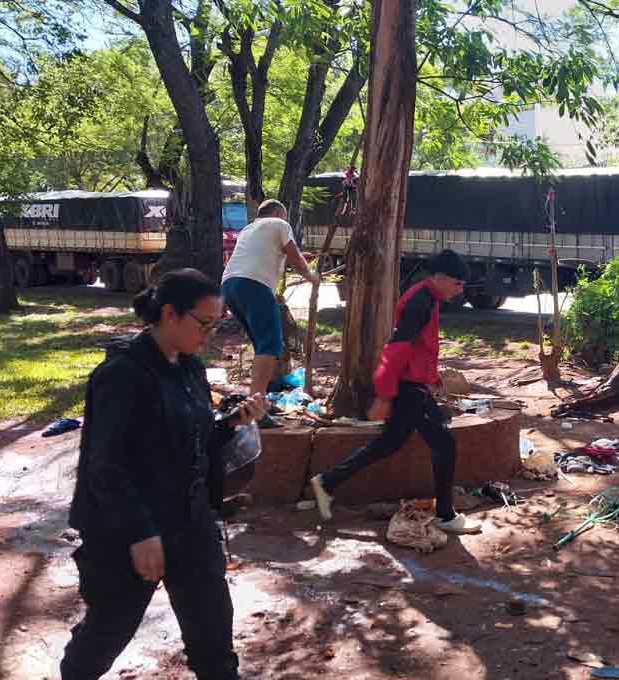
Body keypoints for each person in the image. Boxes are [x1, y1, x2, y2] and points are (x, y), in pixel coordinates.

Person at [61, 269, 267, 680]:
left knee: (213, 634)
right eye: (204, 323)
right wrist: (140, 533)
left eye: (217, 324)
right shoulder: (121, 374)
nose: (210, 335)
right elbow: (106, 465)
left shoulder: (190, 368)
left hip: (189, 520)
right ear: (170, 314)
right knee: (107, 632)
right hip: (126, 529)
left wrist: (231, 423)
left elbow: (195, 438)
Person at [309, 250, 480, 534]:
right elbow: (396, 348)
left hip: (413, 385)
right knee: (442, 444)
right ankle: (446, 515)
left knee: (393, 443)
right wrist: (384, 395)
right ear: (439, 278)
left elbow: (418, 346)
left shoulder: (429, 298)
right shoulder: (420, 302)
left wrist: (430, 375)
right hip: (407, 388)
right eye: (457, 283)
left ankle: (326, 482)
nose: (460, 290)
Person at [220, 199, 318, 401]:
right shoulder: (280, 224)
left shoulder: (248, 229)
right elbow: (294, 257)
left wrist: (299, 256)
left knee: (261, 344)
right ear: (278, 214)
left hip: (229, 285)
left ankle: (265, 393)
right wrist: (312, 277)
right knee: (271, 345)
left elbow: (271, 253)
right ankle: (256, 404)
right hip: (255, 284)